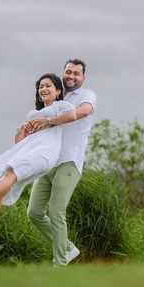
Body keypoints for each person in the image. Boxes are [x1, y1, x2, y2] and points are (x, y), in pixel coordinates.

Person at [0, 73, 77, 248]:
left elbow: (72, 116)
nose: (43, 89)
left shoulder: (60, 106)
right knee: (2, 181)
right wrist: (22, 130)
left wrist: (48, 121)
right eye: (40, 86)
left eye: (48, 86)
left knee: (11, 173)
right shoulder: (32, 114)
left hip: (45, 152)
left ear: (58, 90)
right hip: (28, 151)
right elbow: (20, 143)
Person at [27, 58, 97, 266]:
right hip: (48, 162)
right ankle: (67, 247)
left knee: (56, 211)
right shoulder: (55, 97)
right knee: (34, 213)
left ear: (83, 77)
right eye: (68, 72)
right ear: (63, 73)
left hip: (69, 161)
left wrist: (50, 121)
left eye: (76, 73)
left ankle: (60, 264)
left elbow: (82, 112)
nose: (71, 76)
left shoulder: (87, 95)